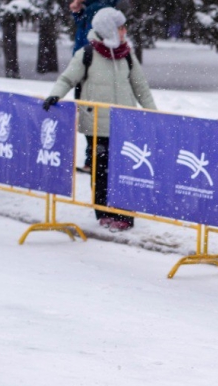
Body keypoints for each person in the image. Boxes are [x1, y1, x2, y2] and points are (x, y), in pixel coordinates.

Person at [44, 8, 156, 232]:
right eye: (120, 27)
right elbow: (68, 77)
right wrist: (55, 94)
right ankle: (103, 211)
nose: (125, 31)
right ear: (109, 29)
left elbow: (140, 87)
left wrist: (153, 113)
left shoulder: (127, 54)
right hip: (96, 124)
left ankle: (124, 214)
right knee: (101, 170)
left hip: (124, 126)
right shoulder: (87, 53)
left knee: (124, 172)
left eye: (124, 27)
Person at [70, 0, 122, 173]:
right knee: (91, 113)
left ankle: (96, 161)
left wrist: (83, 59)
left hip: (88, 66)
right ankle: (96, 159)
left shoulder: (97, 7)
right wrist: (78, 13)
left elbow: (91, 35)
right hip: (86, 64)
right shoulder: (92, 7)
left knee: (92, 113)